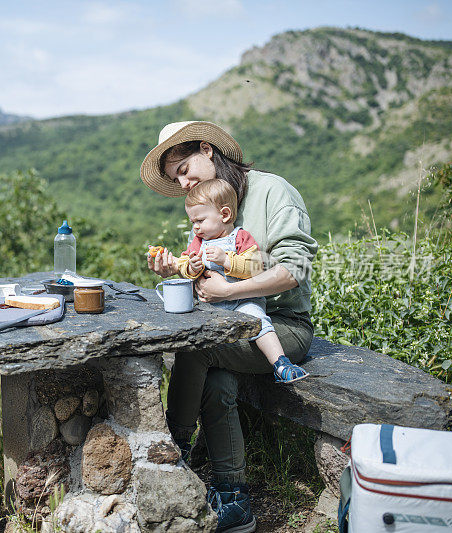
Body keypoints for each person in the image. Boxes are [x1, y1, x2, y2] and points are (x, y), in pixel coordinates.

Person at [141, 121, 318, 533]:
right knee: (217, 381)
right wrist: (177, 269)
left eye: (185, 169)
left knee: (196, 349)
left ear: (207, 149)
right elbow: (203, 269)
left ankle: (175, 447)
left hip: (281, 326)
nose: (183, 184)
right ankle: (233, 498)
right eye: (176, 179)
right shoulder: (206, 205)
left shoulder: (274, 191)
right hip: (227, 328)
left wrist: (226, 294)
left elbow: (298, 267)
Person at [150, 178, 309, 385]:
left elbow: (255, 267)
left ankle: (280, 363)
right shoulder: (199, 242)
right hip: (214, 307)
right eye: (193, 223)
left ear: (224, 215)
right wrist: (187, 267)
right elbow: (185, 265)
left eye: (200, 221)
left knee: (259, 323)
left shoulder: (240, 237)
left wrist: (227, 260)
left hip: (243, 301)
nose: (196, 228)